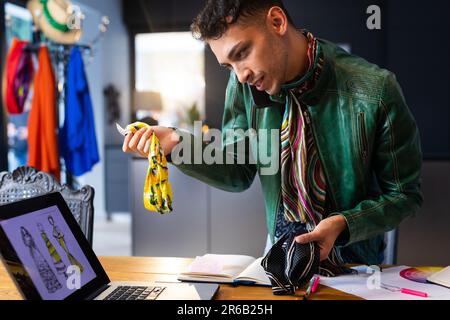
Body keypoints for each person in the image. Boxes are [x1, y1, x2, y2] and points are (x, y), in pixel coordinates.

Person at [122, 0, 422, 266]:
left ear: (277, 22)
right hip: (278, 254)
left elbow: (404, 194)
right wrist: (176, 144)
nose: (240, 75)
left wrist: (344, 224)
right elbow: (238, 168)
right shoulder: (244, 86)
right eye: (229, 66)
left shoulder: (375, 90)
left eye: (243, 53)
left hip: (354, 262)